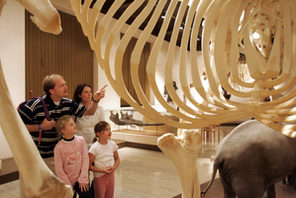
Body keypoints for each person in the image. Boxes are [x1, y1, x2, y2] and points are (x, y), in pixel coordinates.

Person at [18, 74, 106, 171]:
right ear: (51, 90)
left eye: (65, 84)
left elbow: (90, 112)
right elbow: (16, 127)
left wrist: (96, 99)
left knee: (55, 185)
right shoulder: (33, 105)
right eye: (62, 85)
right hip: (34, 156)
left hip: (55, 154)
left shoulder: (67, 103)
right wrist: (40, 127)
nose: (66, 87)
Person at [54, 115, 92, 198]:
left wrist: (83, 178)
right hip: (67, 180)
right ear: (63, 130)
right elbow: (59, 169)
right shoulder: (58, 147)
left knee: (87, 195)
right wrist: (68, 185)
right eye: (71, 124)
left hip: (81, 178)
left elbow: (85, 159)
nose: (75, 125)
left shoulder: (81, 140)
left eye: (73, 123)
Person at [89, 121, 120, 198]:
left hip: (111, 176)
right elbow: (89, 166)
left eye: (110, 129)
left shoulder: (112, 144)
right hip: (99, 177)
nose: (109, 131)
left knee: (110, 195)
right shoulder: (94, 147)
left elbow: (117, 159)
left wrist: (113, 168)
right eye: (106, 129)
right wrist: (103, 171)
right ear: (98, 133)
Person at [73, 83, 105, 148]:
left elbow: (102, 125)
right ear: (79, 95)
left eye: (90, 91)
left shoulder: (99, 108)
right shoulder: (75, 108)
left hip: (95, 142)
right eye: (86, 92)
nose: (89, 94)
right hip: (79, 142)